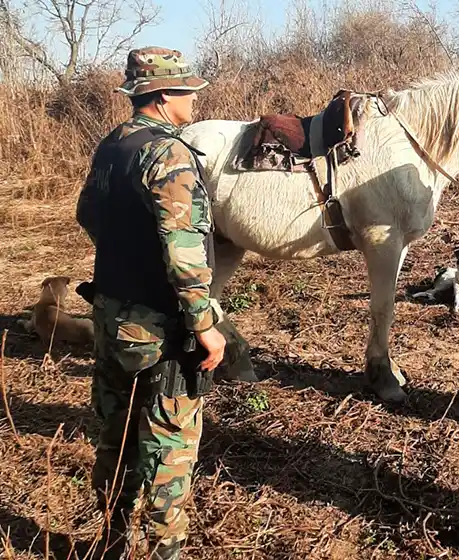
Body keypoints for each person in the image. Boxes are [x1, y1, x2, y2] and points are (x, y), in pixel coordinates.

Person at [76, 47, 224, 560]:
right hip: (160, 332)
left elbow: (88, 213)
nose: (194, 99)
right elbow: (183, 251)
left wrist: (127, 254)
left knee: (115, 432)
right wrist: (204, 324)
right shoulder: (168, 154)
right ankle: (165, 551)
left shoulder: (114, 145)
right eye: (187, 90)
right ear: (163, 97)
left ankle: (113, 538)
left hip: (111, 315)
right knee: (169, 448)